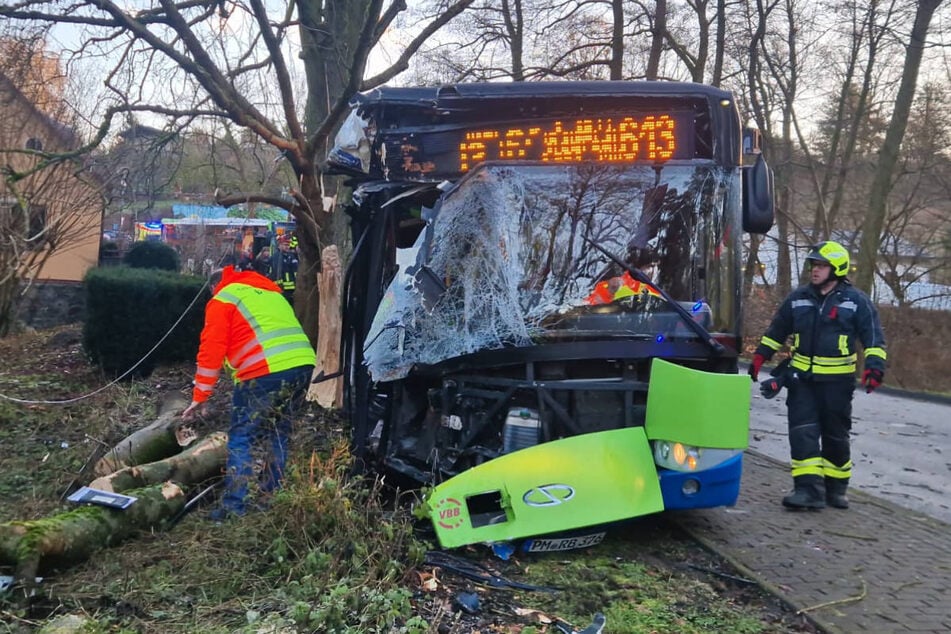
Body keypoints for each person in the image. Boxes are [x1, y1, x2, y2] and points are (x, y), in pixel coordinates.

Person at [749, 241, 886, 510]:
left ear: (837, 269)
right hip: (801, 380)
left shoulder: (856, 301)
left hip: (837, 383)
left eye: (822, 265)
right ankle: (807, 490)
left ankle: (836, 489)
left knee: (835, 436)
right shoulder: (798, 298)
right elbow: (777, 330)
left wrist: (874, 367)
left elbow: (873, 337)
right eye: (814, 264)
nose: (815, 270)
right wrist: (760, 356)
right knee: (802, 432)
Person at [182, 259, 315, 520]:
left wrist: (200, 396)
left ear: (214, 287)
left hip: (264, 372)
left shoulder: (224, 298)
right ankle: (270, 498)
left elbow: (211, 350)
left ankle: (234, 508)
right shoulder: (267, 293)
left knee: (242, 437)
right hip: (303, 365)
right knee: (279, 432)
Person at [275, 235, 299, 305]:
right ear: (279, 245)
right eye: (285, 245)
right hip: (284, 288)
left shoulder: (291, 256)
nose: (287, 247)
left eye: (288, 245)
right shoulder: (277, 257)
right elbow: (277, 272)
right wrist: (280, 285)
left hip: (293, 287)